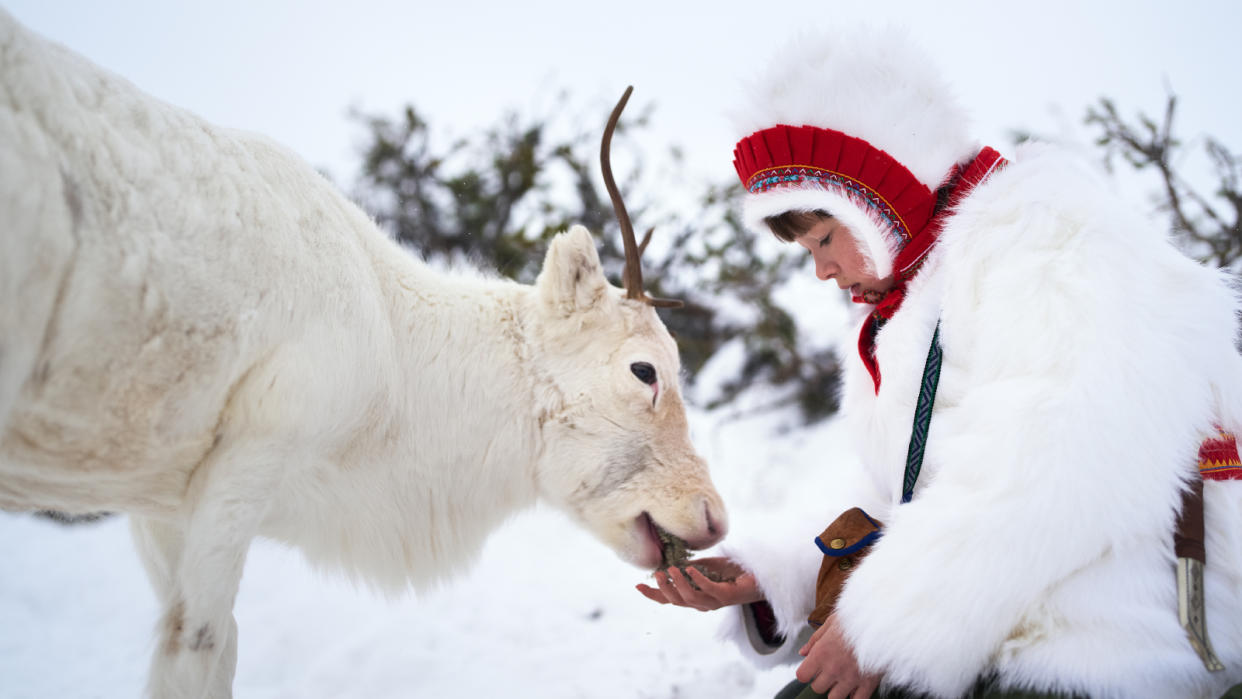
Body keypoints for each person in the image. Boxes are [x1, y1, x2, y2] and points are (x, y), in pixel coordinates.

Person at [637, 28, 1242, 699]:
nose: (821, 269)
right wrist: (779, 572)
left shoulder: (1047, 240)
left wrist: (881, 625)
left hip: (1111, 631)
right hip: (1007, 610)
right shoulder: (917, 298)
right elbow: (916, 492)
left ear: (881, 187)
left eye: (826, 236)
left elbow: (1046, 472)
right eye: (807, 248)